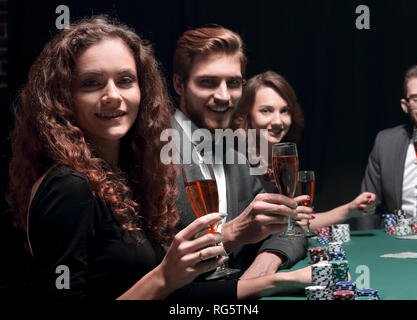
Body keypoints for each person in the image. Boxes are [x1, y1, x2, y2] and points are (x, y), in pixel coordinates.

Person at [6, 15, 314, 300]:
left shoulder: (129, 172)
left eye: (125, 80)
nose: (113, 95)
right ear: (63, 95)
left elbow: (166, 289)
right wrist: (166, 276)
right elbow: (164, 282)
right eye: (92, 83)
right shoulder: (68, 186)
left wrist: (276, 280)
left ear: (143, 88)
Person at [171, 26, 313, 280]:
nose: (224, 96)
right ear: (180, 84)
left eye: (234, 83)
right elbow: (144, 263)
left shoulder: (232, 150)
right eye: (208, 82)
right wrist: (233, 232)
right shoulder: (151, 148)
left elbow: (289, 227)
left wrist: (265, 264)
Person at [232, 70, 376, 233]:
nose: (278, 121)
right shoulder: (236, 162)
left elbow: (297, 225)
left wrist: (350, 209)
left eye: (284, 111)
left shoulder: (284, 160)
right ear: (247, 114)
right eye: (266, 110)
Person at [361, 61, 417, 229]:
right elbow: (368, 208)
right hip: (396, 242)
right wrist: (369, 248)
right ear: (405, 106)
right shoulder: (386, 142)